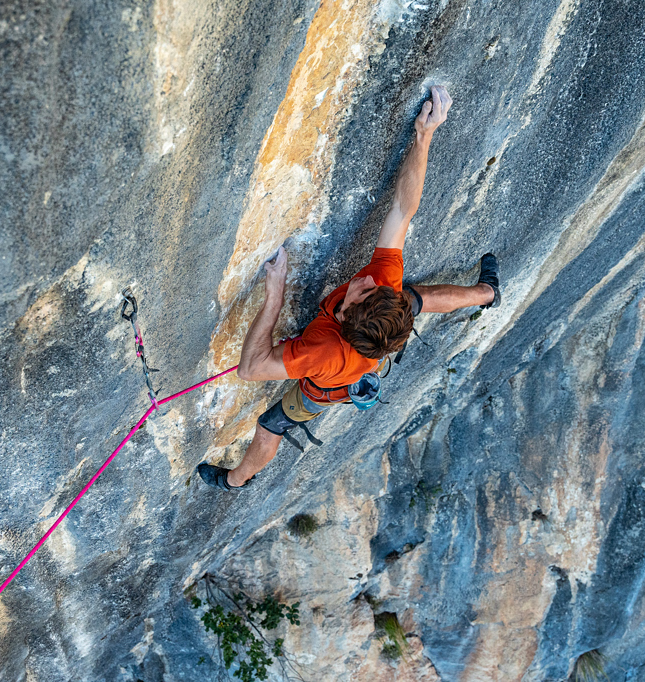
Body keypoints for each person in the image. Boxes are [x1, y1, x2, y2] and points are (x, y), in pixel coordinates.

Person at [198, 85, 501, 491]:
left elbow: (252, 368)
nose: (362, 281)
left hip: (326, 386)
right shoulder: (384, 287)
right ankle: (486, 294)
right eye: (369, 287)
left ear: (341, 319)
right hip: (372, 344)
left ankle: (236, 481)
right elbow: (402, 209)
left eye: (359, 292)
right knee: (417, 298)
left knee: (269, 426)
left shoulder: (321, 351)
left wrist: (275, 294)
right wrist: (424, 135)